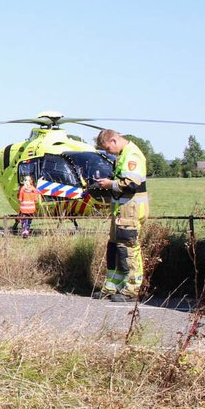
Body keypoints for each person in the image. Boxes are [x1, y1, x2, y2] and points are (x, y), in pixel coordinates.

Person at [91, 129, 148, 301]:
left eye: (107, 148)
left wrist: (109, 184)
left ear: (114, 141)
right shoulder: (122, 155)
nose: (107, 152)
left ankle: (132, 290)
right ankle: (113, 285)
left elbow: (131, 184)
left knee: (128, 249)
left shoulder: (133, 155)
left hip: (131, 211)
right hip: (120, 211)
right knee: (114, 248)